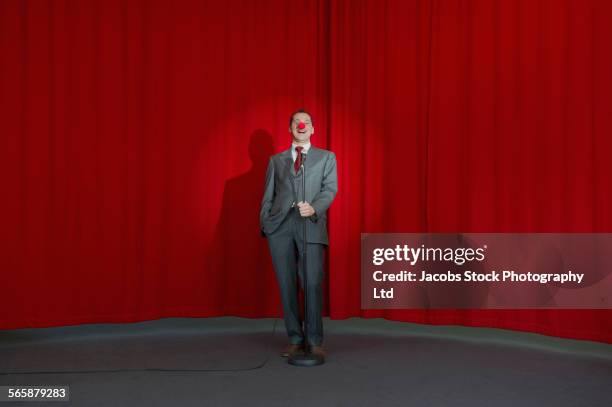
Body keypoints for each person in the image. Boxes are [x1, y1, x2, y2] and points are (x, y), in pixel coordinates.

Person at [260, 109, 338, 358]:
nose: (301, 125)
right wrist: (266, 223)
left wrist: (314, 207)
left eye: (305, 122)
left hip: (310, 224)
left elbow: (330, 189)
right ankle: (294, 337)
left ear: (313, 129)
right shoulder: (276, 161)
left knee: (312, 283)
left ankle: (314, 340)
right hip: (280, 228)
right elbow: (268, 195)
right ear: (290, 128)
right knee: (286, 284)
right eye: (296, 121)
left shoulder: (326, 158)